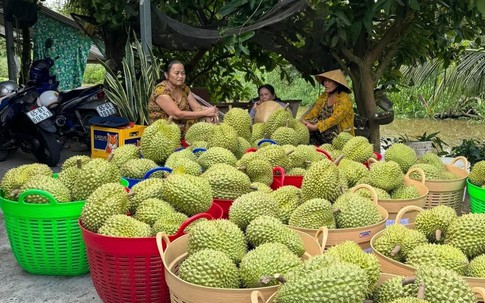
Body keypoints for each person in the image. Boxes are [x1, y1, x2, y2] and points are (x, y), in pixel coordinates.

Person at [147, 59, 218, 135]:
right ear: (166, 75)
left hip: (183, 130)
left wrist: (208, 112)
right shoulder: (161, 91)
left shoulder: (184, 88)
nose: (180, 76)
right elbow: (177, 115)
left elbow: (197, 108)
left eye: (183, 73)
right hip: (163, 133)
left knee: (209, 118)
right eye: (176, 73)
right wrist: (205, 112)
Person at [302, 69, 355, 145]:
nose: (326, 83)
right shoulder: (324, 96)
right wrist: (305, 121)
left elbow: (335, 118)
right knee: (306, 133)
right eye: (325, 81)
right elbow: (314, 111)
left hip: (338, 137)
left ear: (337, 83)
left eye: (329, 81)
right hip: (321, 133)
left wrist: (316, 127)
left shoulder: (344, 99)